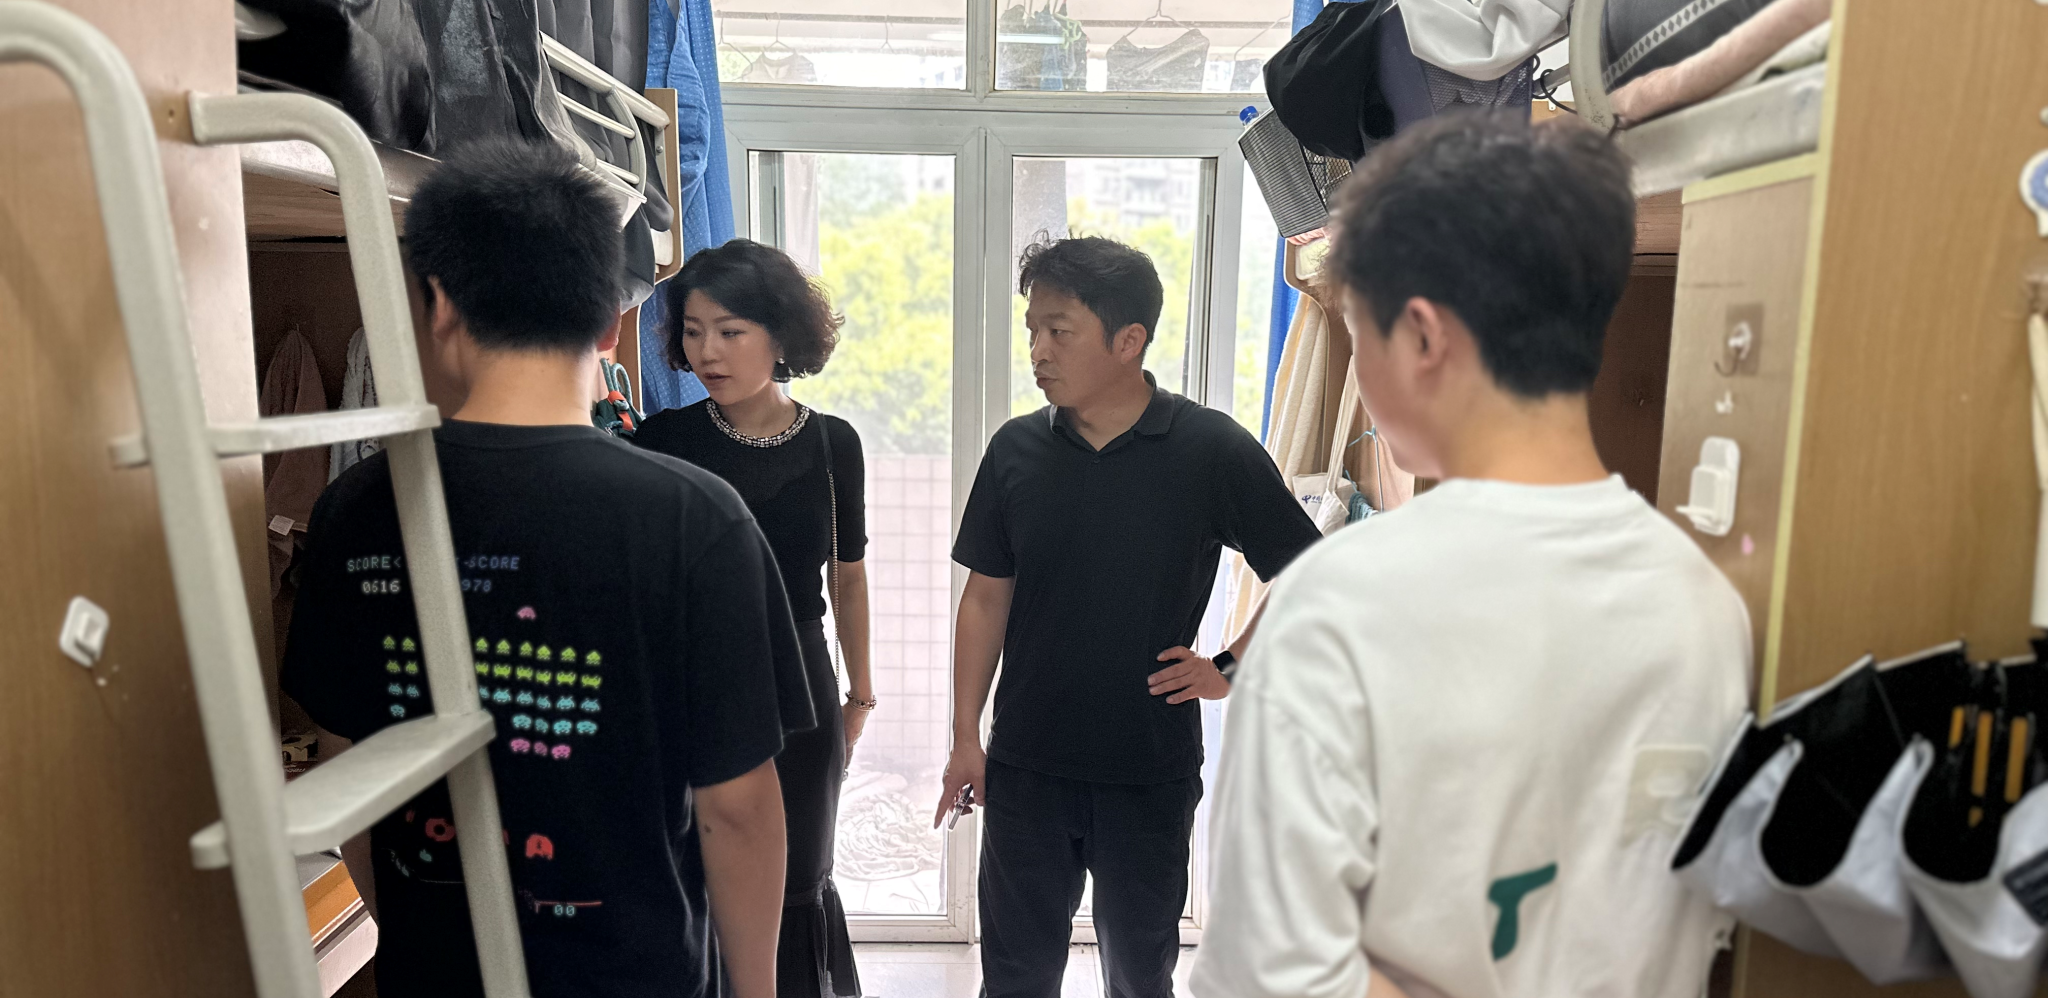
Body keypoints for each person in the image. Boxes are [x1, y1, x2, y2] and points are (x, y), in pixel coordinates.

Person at [1189, 112, 1751, 998]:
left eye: (1359, 333)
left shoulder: (1343, 606)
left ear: (1421, 337)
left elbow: (1271, 975)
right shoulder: (1703, 603)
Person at [281, 140, 804, 998]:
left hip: (435, 976)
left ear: (439, 309)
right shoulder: (695, 518)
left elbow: (349, 775)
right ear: (609, 325)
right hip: (637, 978)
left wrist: (415, 943)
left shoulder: (357, 508)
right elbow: (737, 810)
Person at [940, 236, 1322, 998]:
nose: (1038, 351)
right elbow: (985, 597)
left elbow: (1313, 571)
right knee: (1014, 977)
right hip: (1027, 765)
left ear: (1128, 340)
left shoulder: (1209, 449)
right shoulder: (1016, 450)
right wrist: (964, 738)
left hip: (1148, 767)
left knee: (1140, 976)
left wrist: (1230, 667)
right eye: (1032, 330)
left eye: (1059, 330)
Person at [634, 239, 871, 998]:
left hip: (802, 678)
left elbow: (848, 576)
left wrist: (861, 696)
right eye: (693, 332)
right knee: (701, 873)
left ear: (781, 335)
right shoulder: (662, 442)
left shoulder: (834, 443)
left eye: (730, 331)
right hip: (693, 682)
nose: (707, 351)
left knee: (798, 875)